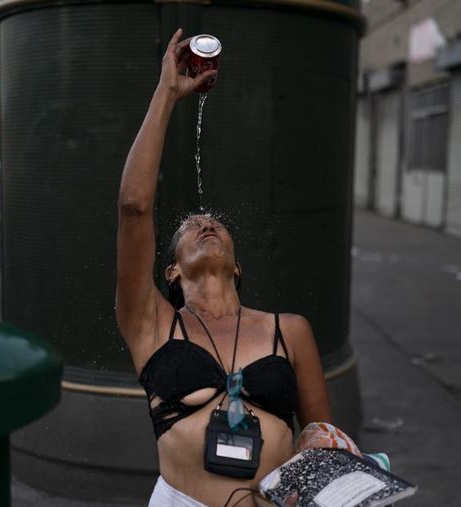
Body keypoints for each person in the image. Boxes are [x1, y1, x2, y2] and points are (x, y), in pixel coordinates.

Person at [116, 29, 332, 507]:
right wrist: (166, 93)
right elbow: (133, 207)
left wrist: (309, 486)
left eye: (214, 224)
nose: (205, 223)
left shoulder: (290, 331)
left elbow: (322, 440)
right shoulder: (152, 324)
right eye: (190, 227)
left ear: (236, 268)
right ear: (171, 272)